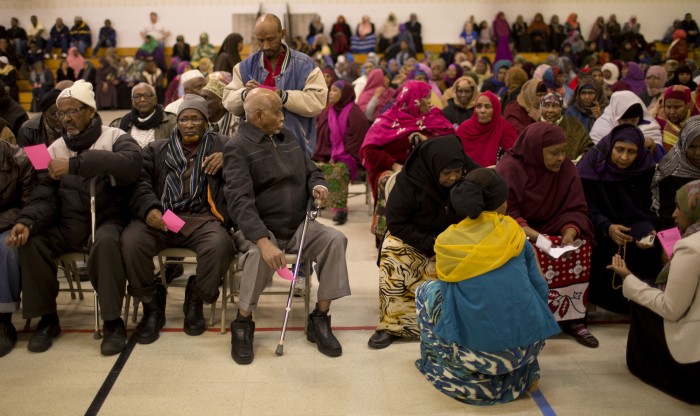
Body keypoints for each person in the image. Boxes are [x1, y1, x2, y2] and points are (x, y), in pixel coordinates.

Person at [5, 80, 142, 356]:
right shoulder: (52, 148)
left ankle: (112, 321)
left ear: (91, 111)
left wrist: (76, 165)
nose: (65, 118)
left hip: (107, 220)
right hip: (67, 224)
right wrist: (28, 220)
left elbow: (130, 165)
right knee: (34, 241)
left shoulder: (116, 137)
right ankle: (47, 319)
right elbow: (43, 193)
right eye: (61, 113)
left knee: (106, 244)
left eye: (72, 111)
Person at [224, 88, 350, 364]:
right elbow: (239, 202)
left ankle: (319, 318)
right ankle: (243, 322)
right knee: (258, 255)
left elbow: (312, 170)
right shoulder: (237, 147)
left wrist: (317, 185)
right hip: (258, 227)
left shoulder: (288, 137)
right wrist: (263, 240)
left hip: (296, 225)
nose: (283, 117)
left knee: (335, 240)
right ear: (258, 116)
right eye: (277, 112)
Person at [415, 168, 560, 404]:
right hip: (528, 347)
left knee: (426, 292)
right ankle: (524, 372)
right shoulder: (513, 232)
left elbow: (451, 300)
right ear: (500, 203)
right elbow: (541, 288)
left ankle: (454, 372)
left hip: (476, 354)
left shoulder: (447, 241)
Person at [122, 94, 234, 343]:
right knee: (131, 241)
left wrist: (229, 158)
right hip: (165, 216)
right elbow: (140, 183)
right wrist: (150, 209)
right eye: (184, 119)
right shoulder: (156, 149)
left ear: (206, 122)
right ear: (177, 123)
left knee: (220, 245)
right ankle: (152, 303)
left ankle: (195, 298)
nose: (190, 124)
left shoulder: (224, 145)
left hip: (202, 218)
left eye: (196, 119)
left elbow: (249, 159)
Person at [368, 136, 479, 349]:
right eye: (447, 173)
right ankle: (392, 324)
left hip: (457, 238)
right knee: (393, 252)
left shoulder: (469, 174)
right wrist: (431, 242)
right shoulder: (409, 181)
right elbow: (397, 223)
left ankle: (456, 325)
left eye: (458, 171)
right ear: (432, 167)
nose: (454, 177)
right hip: (416, 236)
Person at [496, 122, 599, 348]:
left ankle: (574, 320)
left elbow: (575, 208)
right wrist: (541, 240)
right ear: (534, 149)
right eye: (554, 153)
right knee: (527, 251)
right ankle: (530, 319)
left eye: (564, 151)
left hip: (555, 227)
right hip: (520, 230)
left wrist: (570, 233)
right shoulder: (511, 167)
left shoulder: (567, 169)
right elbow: (507, 214)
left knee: (581, 246)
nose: (561, 158)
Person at [607, 179, 700, 404]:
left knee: (642, 298)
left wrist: (628, 278)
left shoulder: (691, 247)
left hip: (694, 368)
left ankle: (647, 366)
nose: (675, 215)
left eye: (679, 207)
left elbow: (671, 308)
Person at [577, 124, 661, 314]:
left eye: (631, 152)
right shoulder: (591, 167)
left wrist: (647, 229)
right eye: (619, 149)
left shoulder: (646, 169)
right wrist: (607, 227)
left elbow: (653, 208)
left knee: (651, 247)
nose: (624, 157)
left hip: (636, 228)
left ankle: (640, 305)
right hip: (601, 228)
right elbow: (585, 206)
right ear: (610, 146)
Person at [360, 81, 455, 244]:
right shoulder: (388, 120)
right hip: (395, 167)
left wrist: (427, 140)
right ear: (412, 100)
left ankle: (434, 233)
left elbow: (450, 143)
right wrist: (395, 165)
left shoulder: (434, 116)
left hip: (427, 168)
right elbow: (370, 150)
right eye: (424, 98)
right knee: (388, 181)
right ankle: (386, 235)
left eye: (428, 97)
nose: (429, 102)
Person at [223, 14, 327, 155]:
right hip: (254, 151)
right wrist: (245, 94)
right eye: (260, 41)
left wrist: (283, 96)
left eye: (270, 39)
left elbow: (317, 101)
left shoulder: (305, 65)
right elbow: (228, 101)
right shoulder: (244, 67)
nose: (265, 46)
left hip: (295, 148)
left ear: (282, 33)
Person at [312, 80, 369, 225]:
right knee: (310, 165)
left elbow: (357, 141)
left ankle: (340, 209)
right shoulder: (327, 112)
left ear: (345, 94)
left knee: (338, 170)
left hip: (350, 157)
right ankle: (319, 200)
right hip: (329, 155)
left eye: (335, 90)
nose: (330, 93)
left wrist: (339, 156)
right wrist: (327, 156)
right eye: (330, 90)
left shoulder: (356, 114)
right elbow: (321, 139)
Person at [0, 140, 35, 357]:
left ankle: (3, 320)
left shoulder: (21, 158)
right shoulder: (31, 128)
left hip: (12, 223)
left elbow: (29, 204)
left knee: (6, 249)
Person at [651, 116, 700, 229]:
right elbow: (668, 219)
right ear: (683, 144)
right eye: (692, 146)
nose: (698, 152)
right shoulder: (671, 173)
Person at [590, 91, 663, 155]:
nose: (629, 124)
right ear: (615, 118)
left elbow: (659, 156)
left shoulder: (648, 127)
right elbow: (595, 154)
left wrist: (652, 144)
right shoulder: (602, 127)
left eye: (633, 120)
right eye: (625, 121)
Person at [456, 91, 517, 167]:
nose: (482, 111)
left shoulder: (504, 129)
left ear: (496, 109)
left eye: (487, 107)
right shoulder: (465, 129)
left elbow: (514, 159)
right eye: (479, 106)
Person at [110, 83, 176, 148]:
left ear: (155, 99)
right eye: (137, 96)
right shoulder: (118, 125)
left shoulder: (171, 122)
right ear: (132, 101)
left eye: (147, 95)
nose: (142, 99)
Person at [540, 93, 594, 160]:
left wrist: (578, 161)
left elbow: (588, 147)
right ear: (541, 109)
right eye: (546, 106)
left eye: (554, 106)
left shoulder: (573, 124)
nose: (550, 110)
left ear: (561, 109)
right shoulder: (535, 126)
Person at [657, 86, 693, 152]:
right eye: (668, 107)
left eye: (677, 107)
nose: (672, 112)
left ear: (687, 105)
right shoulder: (658, 126)